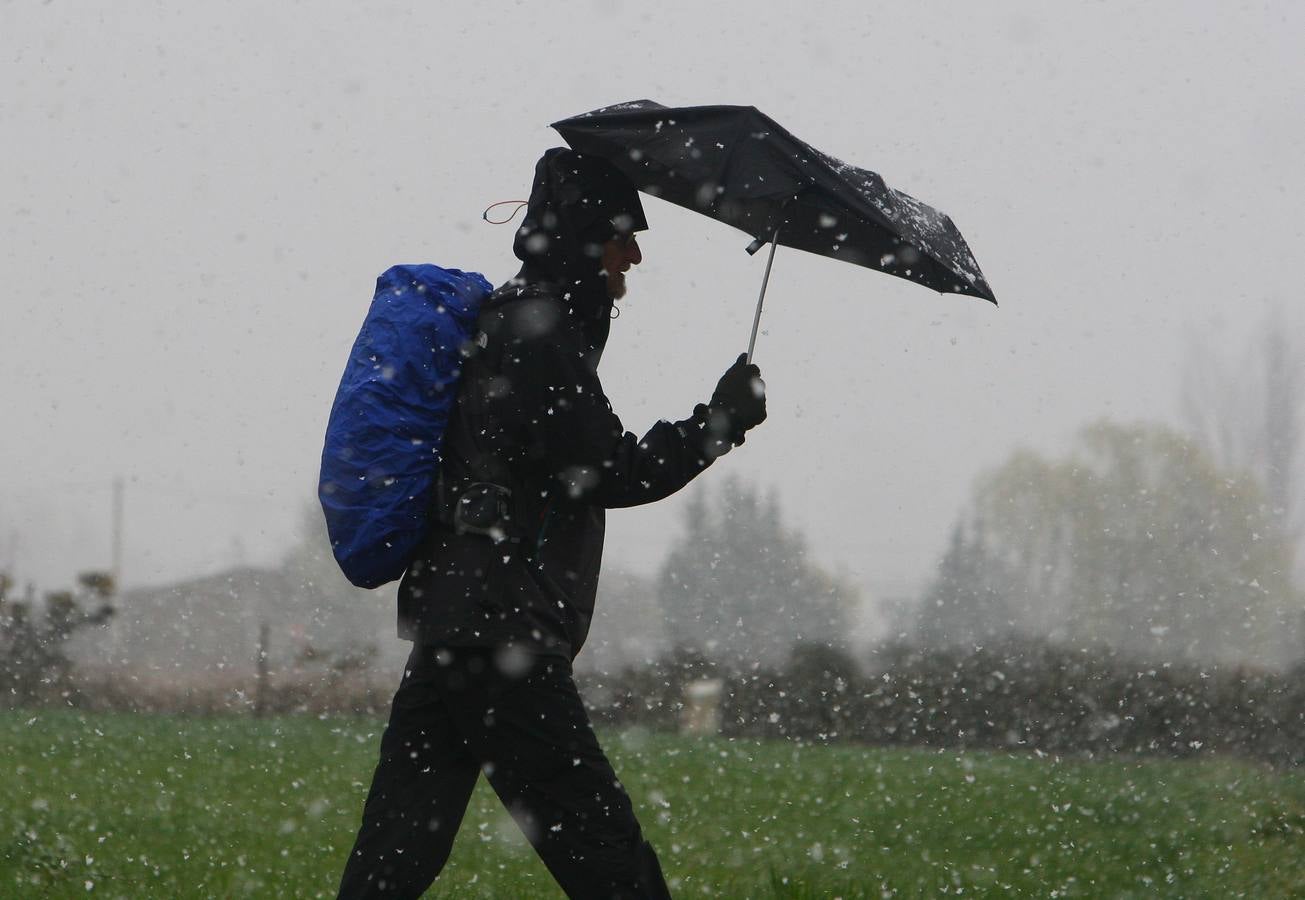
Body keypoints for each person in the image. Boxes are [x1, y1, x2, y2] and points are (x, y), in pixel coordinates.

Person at [336, 148, 767, 899]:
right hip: (502, 628)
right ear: (584, 237)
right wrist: (718, 423)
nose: (633, 255)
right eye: (621, 235)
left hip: (456, 619)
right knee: (602, 849)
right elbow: (606, 471)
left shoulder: (522, 322)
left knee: (396, 852)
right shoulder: (536, 334)